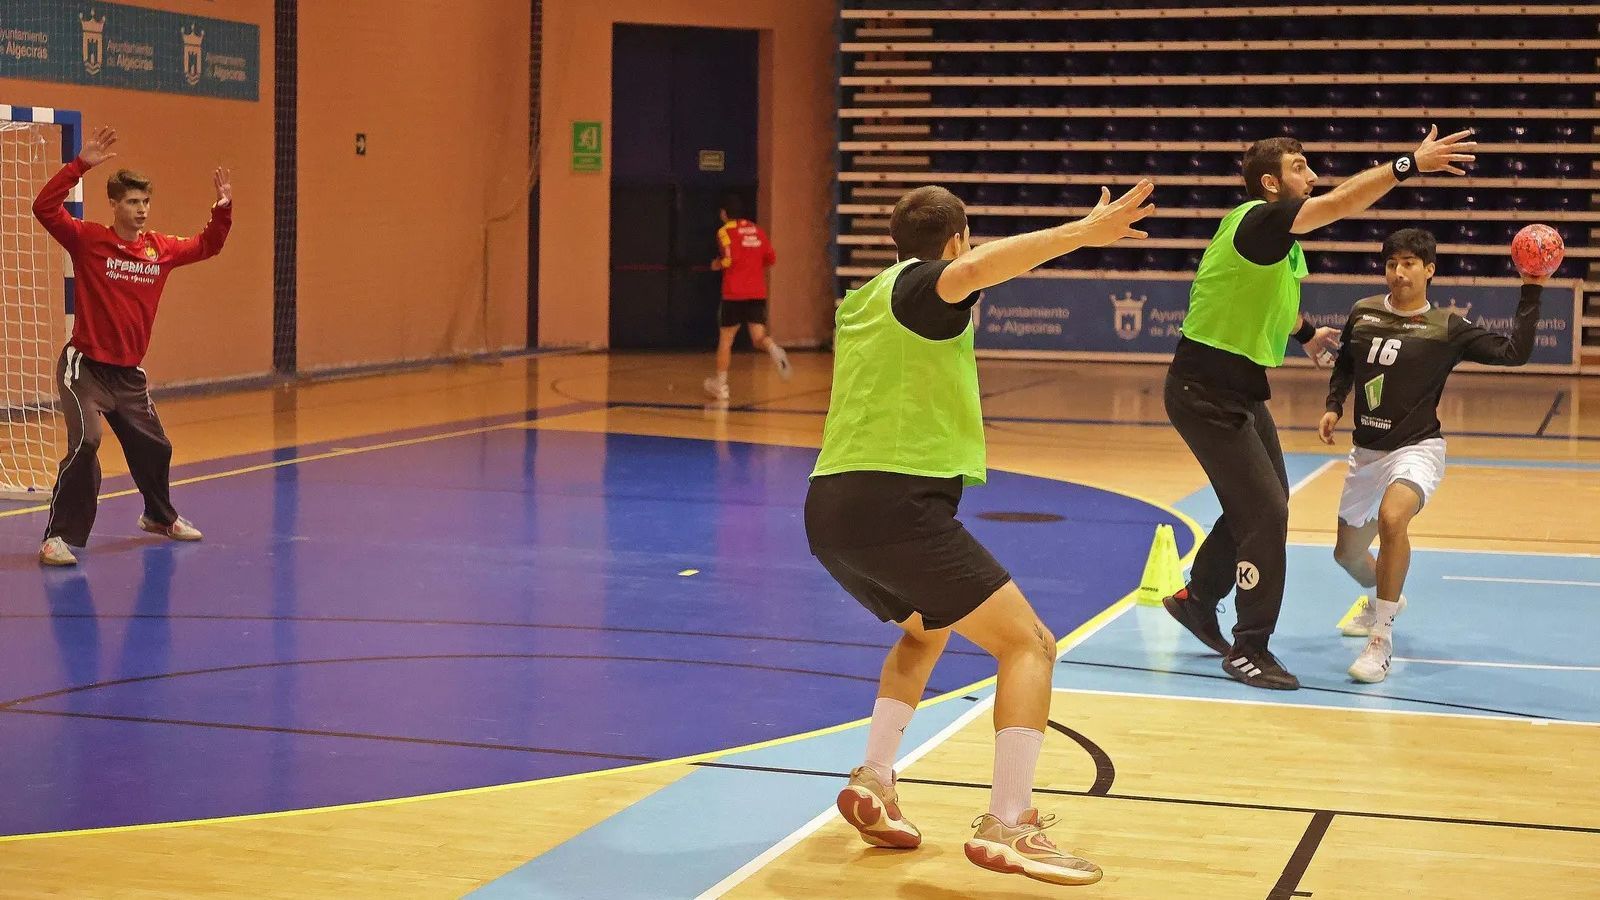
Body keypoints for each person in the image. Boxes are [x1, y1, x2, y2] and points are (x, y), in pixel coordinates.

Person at [809, 180, 1154, 886]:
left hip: (831, 509)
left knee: (924, 630)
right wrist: (1081, 233)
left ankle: (874, 777)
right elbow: (969, 274)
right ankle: (1010, 822)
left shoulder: (865, 297)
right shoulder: (927, 285)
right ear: (958, 237)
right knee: (1029, 643)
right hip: (895, 505)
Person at [1160, 126, 1476, 690]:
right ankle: (1249, 648)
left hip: (1238, 388)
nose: (1311, 176)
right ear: (1270, 182)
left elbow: (1269, 300)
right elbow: (1338, 204)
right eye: (1300, 167)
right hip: (1203, 389)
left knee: (1264, 501)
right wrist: (1408, 164)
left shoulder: (1276, 244)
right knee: (1266, 514)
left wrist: (1304, 332)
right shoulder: (1258, 218)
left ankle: (1197, 597)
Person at [1321, 228, 1545, 682]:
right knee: (1346, 555)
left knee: (1392, 519)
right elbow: (1347, 362)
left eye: (1408, 263)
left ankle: (1380, 639)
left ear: (1429, 270)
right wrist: (1333, 404)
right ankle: (1388, 594)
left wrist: (1533, 286)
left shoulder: (1447, 326)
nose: (1399, 272)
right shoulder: (1362, 312)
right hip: (1366, 452)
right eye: (1391, 264)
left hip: (1418, 447)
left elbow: (1514, 353)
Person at [32, 125, 233, 567]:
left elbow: (208, 245)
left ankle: (158, 517)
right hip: (84, 369)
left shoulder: (160, 250)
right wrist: (79, 165)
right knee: (87, 442)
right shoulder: (88, 240)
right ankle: (57, 538)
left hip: (127, 375)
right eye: (133, 202)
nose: (141, 210)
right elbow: (44, 208)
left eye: (146, 202)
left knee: (155, 447)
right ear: (116, 205)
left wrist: (222, 211)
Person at [703, 196, 788, 401]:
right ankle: (774, 350)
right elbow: (771, 258)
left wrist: (717, 264)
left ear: (724, 213)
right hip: (757, 292)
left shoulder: (724, 232)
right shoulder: (757, 230)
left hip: (734, 293)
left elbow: (729, 259)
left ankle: (721, 386)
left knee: (726, 339)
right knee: (759, 337)